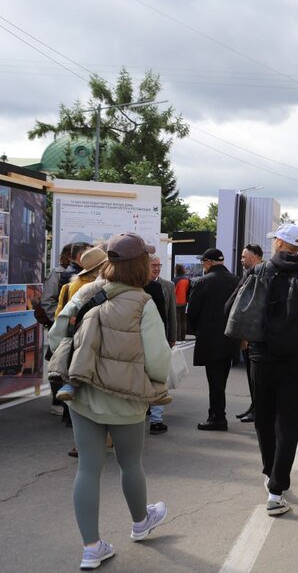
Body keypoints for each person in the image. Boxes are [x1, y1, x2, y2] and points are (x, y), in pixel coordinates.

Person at [49, 232, 171, 570]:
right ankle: (140, 522)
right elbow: (159, 361)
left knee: (88, 468)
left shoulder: (88, 291)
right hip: (127, 398)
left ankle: (91, 547)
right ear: (142, 266)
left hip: (82, 393)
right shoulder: (143, 303)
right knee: (131, 463)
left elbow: (56, 336)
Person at [246, 223, 298, 516]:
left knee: (264, 419)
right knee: (288, 423)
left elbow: (236, 307)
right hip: (294, 359)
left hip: (260, 356)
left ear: (280, 243)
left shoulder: (259, 271)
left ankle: (270, 471)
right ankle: (277, 489)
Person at [187, 248, 239, 431]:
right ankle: (216, 414)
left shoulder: (202, 282)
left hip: (210, 339)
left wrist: (197, 330)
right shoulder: (236, 280)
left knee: (214, 380)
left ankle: (217, 417)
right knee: (221, 379)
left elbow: (192, 312)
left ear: (208, 262)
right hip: (231, 337)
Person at [50, 247, 108, 409]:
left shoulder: (69, 287)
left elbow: (59, 315)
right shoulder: (105, 288)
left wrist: (59, 346)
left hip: (74, 338)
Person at [144, 255, 176, 435]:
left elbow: (169, 315)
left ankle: (155, 418)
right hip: (149, 339)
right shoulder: (142, 286)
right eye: (153, 265)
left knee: (156, 377)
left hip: (158, 337)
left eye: (159, 265)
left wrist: (171, 337)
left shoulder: (166, 286)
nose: (156, 268)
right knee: (154, 377)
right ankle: (153, 416)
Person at [233, 244, 264, 424]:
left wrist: (245, 335)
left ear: (254, 257)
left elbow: (250, 308)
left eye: (244, 256)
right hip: (251, 335)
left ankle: (257, 409)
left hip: (253, 335)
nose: (242, 259)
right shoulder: (253, 273)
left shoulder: (257, 274)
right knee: (252, 377)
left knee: (256, 377)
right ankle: (254, 406)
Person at [172, 264, 190, 342]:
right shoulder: (187, 279)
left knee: (177, 321)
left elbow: (172, 291)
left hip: (176, 302)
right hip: (184, 302)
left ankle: (178, 338)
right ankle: (183, 337)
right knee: (183, 320)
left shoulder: (175, 280)